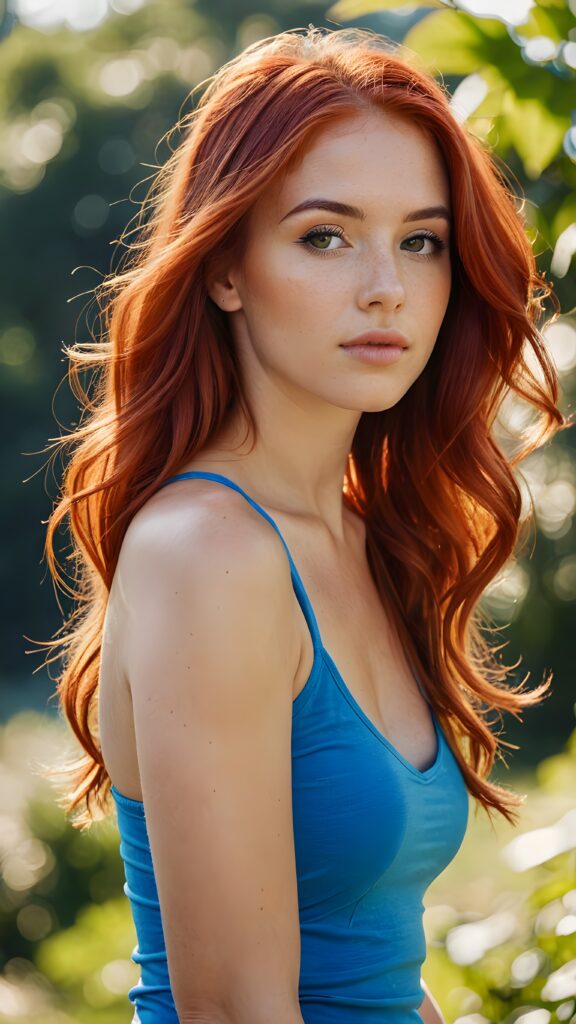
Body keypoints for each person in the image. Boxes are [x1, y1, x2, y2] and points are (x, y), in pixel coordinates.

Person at [40, 24, 569, 1024]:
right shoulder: (210, 554)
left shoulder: (362, 536)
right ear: (226, 268)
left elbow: (375, 972)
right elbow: (239, 1010)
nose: (387, 286)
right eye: (325, 235)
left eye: (422, 240)